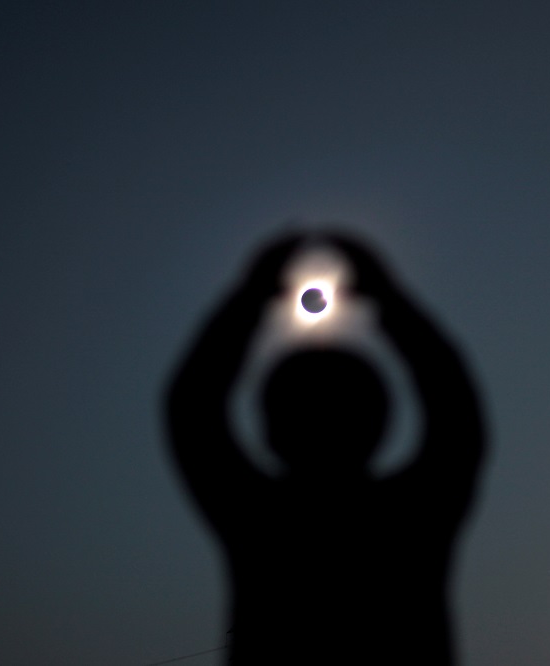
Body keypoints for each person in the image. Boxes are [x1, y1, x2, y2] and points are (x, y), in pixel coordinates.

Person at [166, 232, 485, 664]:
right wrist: (388, 298)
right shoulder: (417, 512)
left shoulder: (258, 518)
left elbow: (193, 408)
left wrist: (251, 296)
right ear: (380, 422)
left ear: (271, 430)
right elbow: (455, 409)